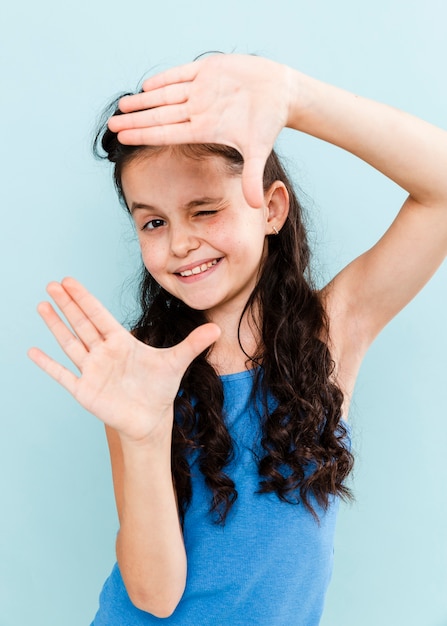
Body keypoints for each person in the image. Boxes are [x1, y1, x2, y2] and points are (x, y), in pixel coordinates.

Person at [28, 54, 447, 625]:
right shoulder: (140, 371)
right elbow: (155, 595)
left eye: (204, 209)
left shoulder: (333, 330)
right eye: (153, 221)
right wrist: (147, 434)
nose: (179, 243)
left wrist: (294, 98)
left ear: (270, 208)